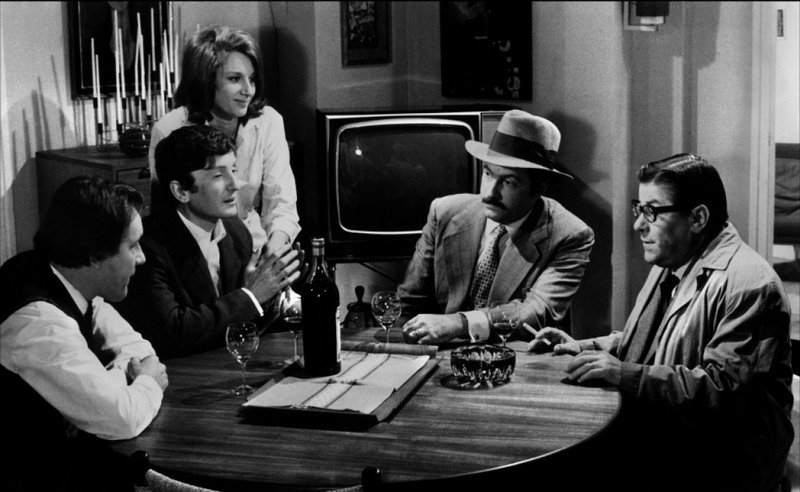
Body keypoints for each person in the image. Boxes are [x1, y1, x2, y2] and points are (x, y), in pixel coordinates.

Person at [530, 154, 794, 492]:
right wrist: (582, 347)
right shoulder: (674, 260)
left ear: (698, 218)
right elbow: (658, 343)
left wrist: (623, 373)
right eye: (639, 209)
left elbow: (722, 393)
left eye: (652, 212)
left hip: (721, 465)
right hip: (673, 439)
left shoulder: (751, 284)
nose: (639, 225)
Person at [0, 176, 168, 491]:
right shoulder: (37, 322)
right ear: (94, 255)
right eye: (132, 245)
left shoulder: (69, 278)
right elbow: (121, 419)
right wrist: (146, 381)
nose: (142, 257)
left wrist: (109, 383)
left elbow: (138, 349)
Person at [400, 110, 594, 345]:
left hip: (516, 356)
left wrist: (460, 323)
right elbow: (409, 302)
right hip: (440, 353)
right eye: (488, 173)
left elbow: (536, 312)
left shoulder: (570, 235)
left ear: (540, 187)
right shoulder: (444, 212)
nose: (490, 193)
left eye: (509, 182)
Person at [116, 125, 302, 358]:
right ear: (181, 191)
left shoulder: (236, 231)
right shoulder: (147, 249)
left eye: (234, 170)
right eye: (218, 175)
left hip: (226, 364)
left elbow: (241, 324)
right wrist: (250, 295)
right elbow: (173, 332)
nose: (236, 184)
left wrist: (275, 293)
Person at [148, 24, 300, 258]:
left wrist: (274, 250)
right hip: (196, 254)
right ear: (205, 81)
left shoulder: (269, 121)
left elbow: (282, 204)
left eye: (252, 79)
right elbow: (165, 217)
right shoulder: (169, 129)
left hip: (254, 246)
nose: (248, 90)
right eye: (235, 79)